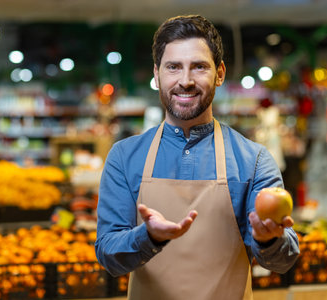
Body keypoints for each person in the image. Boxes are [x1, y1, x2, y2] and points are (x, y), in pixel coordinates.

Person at [95, 15, 299, 300]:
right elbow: (108, 255)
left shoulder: (253, 160)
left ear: (220, 73)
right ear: (157, 74)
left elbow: (283, 260)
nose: (186, 81)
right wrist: (148, 237)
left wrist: (270, 240)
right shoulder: (124, 157)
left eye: (199, 67)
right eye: (173, 67)